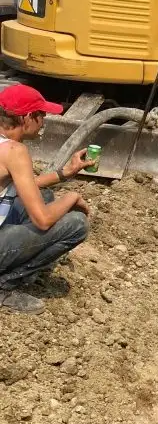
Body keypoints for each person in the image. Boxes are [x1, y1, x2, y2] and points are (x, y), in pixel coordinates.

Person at [0, 84, 91, 314]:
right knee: (76, 224)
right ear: (27, 118)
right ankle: (5, 286)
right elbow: (42, 220)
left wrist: (63, 174)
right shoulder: (14, 151)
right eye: (41, 115)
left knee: (45, 196)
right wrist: (72, 196)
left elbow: (22, 186)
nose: (44, 120)